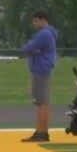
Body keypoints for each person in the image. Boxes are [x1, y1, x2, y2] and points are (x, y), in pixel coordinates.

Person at [20, 9, 57, 142]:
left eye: (35, 20)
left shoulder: (43, 34)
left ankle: (40, 132)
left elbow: (28, 48)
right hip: (44, 68)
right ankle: (43, 131)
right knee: (43, 102)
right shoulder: (49, 33)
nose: (33, 23)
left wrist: (32, 50)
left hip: (40, 69)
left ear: (43, 20)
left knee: (41, 103)